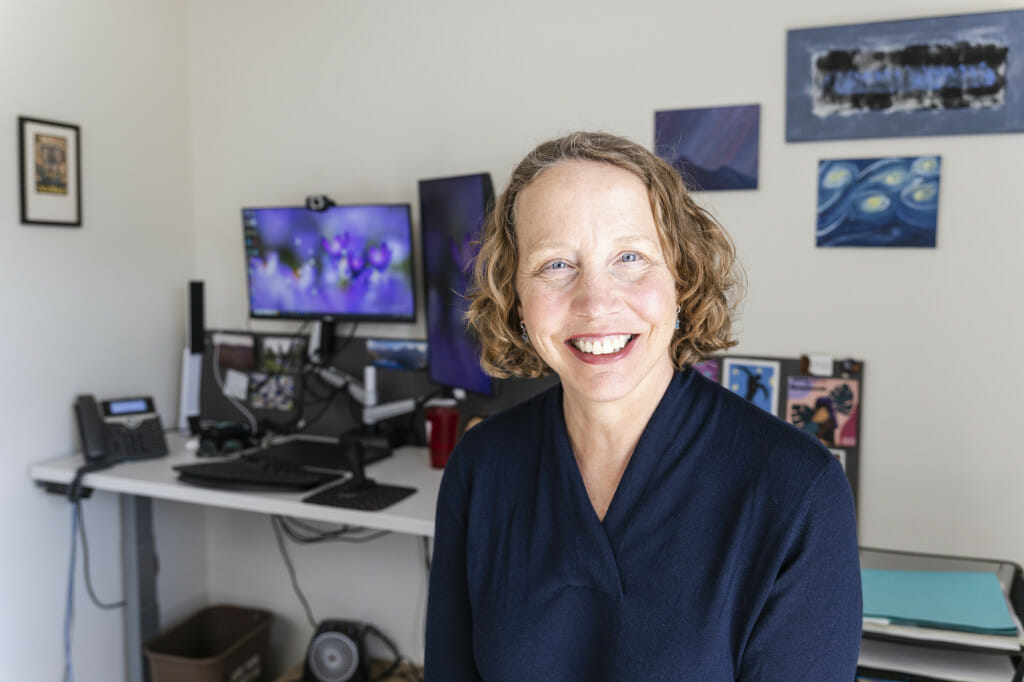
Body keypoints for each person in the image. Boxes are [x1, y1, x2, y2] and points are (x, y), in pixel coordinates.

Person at [424, 131, 861, 680]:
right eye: (556, 265)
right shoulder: (482, 466)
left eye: (630, 256)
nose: (596, 302)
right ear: (515, 299)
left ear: (680, 277)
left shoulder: (797, 491)